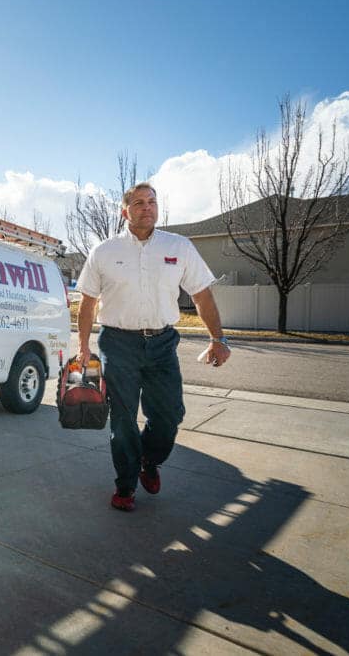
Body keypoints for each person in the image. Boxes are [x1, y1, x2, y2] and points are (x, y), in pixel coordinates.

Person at [74, 182, 230, 512]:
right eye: (140, 203)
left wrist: (218, 339)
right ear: (125, 211)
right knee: (123, 420)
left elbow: (202, 294)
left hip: (162, 344)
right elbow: (88, 302)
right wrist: (83, 346)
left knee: (170, 414)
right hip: (118, 345)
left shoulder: (180, 247)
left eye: (153, 202)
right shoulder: (105, 251)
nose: (148, 208)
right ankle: (126, 485)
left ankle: (149, 458)